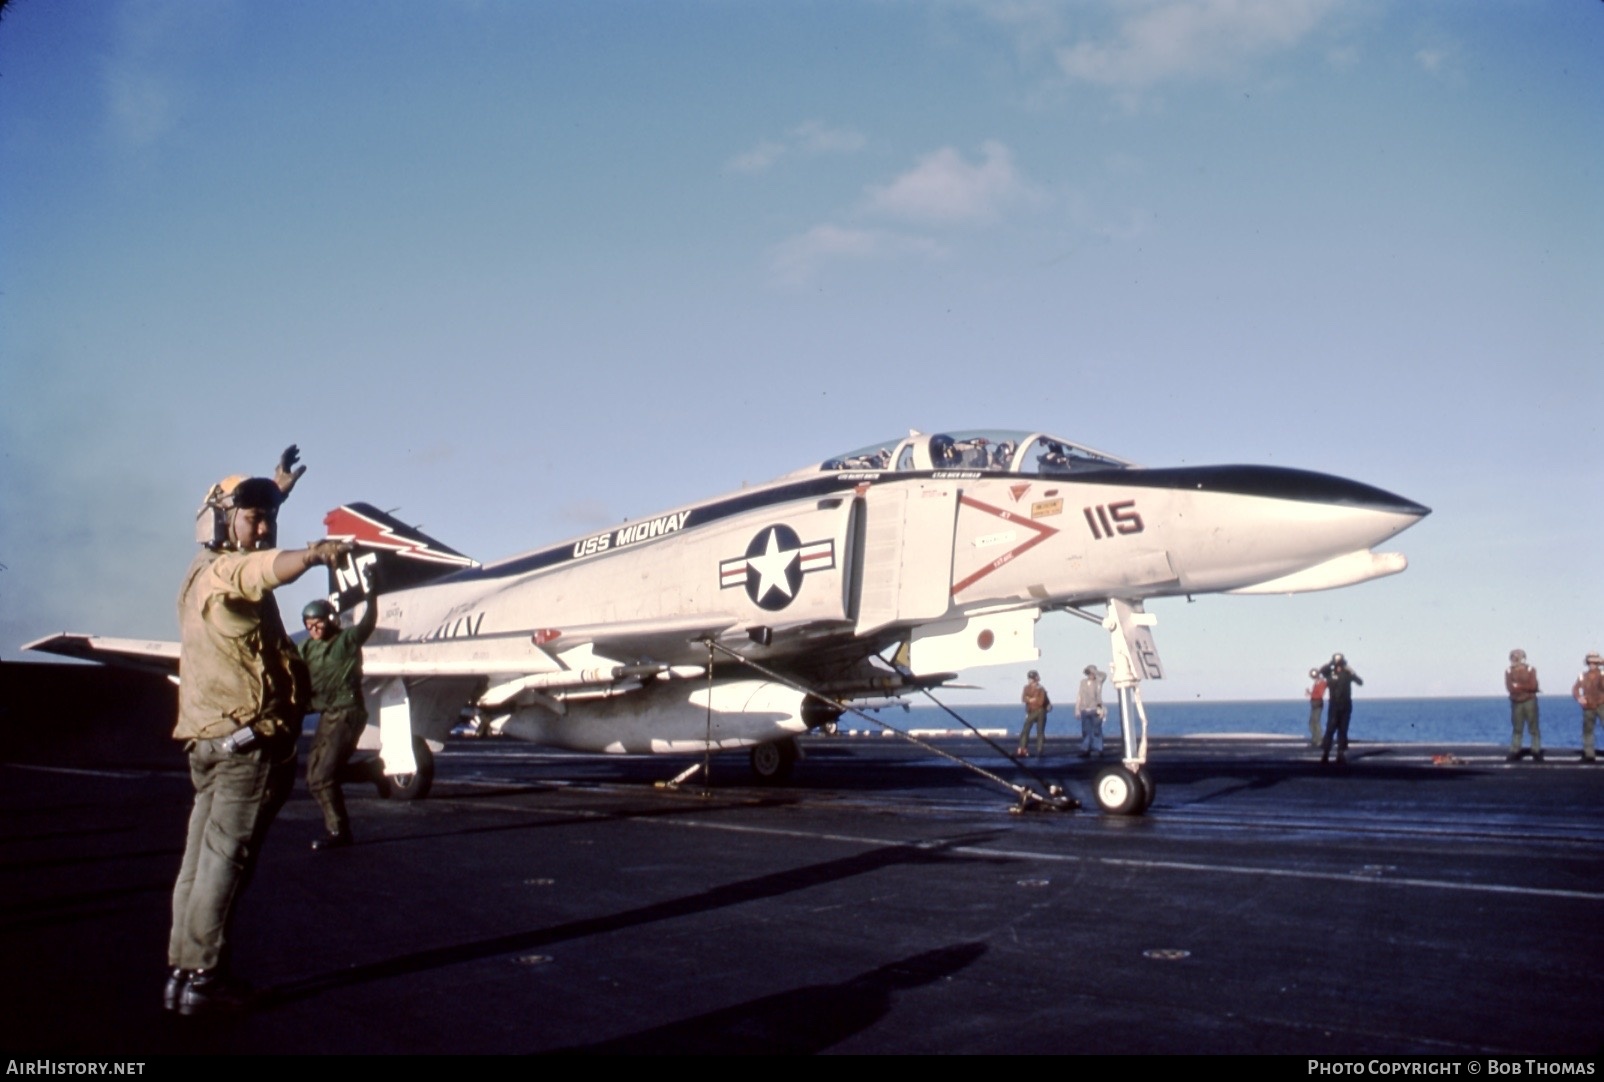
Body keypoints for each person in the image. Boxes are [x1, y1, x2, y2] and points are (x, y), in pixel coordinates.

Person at [165, 448, 350, 1015]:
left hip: (209, 744)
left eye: (270, 517)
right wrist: (316, 554)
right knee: (225, 864)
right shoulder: (228, 572)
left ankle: (182, 974)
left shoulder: (199, 572)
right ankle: (204, 981)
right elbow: (262, 567)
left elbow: (249, 540)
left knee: (197, 865)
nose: (266, 528)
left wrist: (274, 490)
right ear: (222, 522)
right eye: (254, 517)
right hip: (246, 748)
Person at [299, 571, 379, 851]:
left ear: (330, 620)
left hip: (347, 712)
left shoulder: (345, 641)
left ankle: (339, 832)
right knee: (314, 777)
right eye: (309, 624)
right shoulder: (307, 649)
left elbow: (368, 624)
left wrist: (372, 594)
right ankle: (372, 772)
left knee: (322, 777)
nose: (314, 628)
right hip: (327, 714)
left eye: (318, 622)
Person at [1319, 653, 1363, 765]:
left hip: (1345, 705)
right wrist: (1330, 663)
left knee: (1343, 730)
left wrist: (1351, 671)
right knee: (1330, 729)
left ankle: (1340, 754)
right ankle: (1325, 754)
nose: (1338, 664)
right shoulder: (1329, 673)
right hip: (1334, 705)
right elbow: (1322, 670)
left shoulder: (1347, 673)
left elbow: (1360, 682)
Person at [1505, 648, 1542, 762]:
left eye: (1517, 658)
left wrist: (1519, 686)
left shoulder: (1531, 670)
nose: (1514, 660)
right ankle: (1515, 750)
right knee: (1517, 728)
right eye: (1513, 658)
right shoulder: (1509, 671)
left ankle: (1536, 751)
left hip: (1529, 701)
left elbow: (1534, 686)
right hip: (1516, 702)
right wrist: (1523, 687)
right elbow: (1510, 688)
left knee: (1533, 728)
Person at [1572, 652, 1603, 765]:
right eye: (1590, 662)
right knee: (1587, 731)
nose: (1592, 665)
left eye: (1595, 662)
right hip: (1588, 706)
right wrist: (1579, 698)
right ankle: (1589, 754)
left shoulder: (1602, 674)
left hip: (1601, 705)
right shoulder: (1583, 676)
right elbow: (1575, 689)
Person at [1016, 670, 1049, 758]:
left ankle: (1039, 750)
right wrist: (1031, 699)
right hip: (1031, 711)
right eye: (1029, 678)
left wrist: (1030, 699)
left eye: (1031, 678)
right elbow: (1023, 698)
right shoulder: (1026, 688)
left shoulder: (1041, 689)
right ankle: (1023, 748)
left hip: (1040, 711)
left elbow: (1041, 702)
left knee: (1039, 731)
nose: (1030, 680)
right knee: (1026, 729)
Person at [1076, 665, 1107, 758]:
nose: (1091, 675)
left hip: (1095, 709)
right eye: (1089, 673)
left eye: (1092, 673)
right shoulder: (1083, 682)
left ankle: (1098, 749)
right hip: (1084, 710)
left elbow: (1104, 675)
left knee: (1096, 731)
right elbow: (1079, 696)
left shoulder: (1098, 682)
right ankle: (1086, 749)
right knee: (1086, 731)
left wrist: (1096, 671)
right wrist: (1077, 709)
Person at [1305, 667, 1327, 747]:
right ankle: (1314, 739)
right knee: (1311, 722)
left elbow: (1320, 695)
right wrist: (1310, 693)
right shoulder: (1317, 683)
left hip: (1318, 703)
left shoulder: (1321, 683)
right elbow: (1316, 693)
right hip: (1314, 703)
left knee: (1316, 722)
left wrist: (1311, 694)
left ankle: (1319, 740)